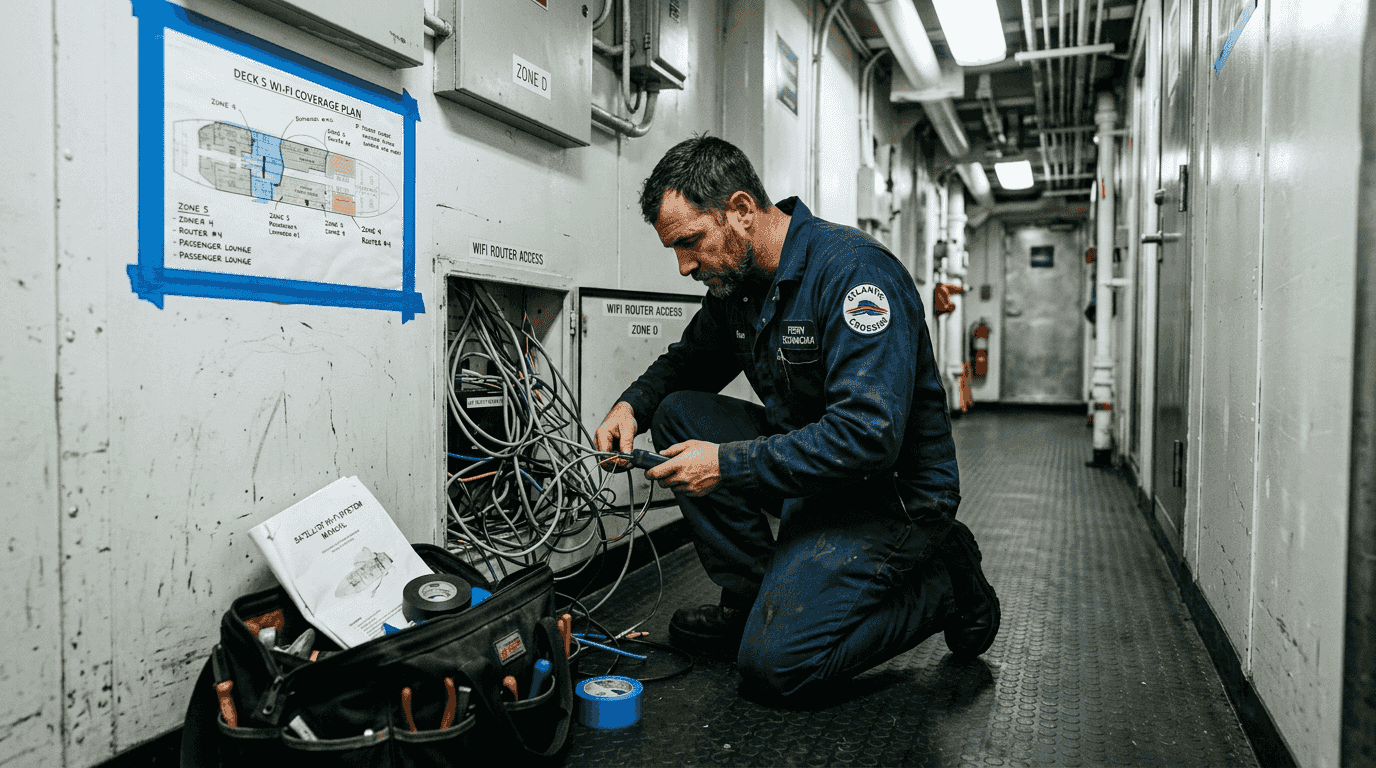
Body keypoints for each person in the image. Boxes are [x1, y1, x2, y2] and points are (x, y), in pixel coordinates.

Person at [594, 135, 998, 698]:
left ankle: (946, 582)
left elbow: (867, 437)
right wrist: (629, 407)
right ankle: (752, 599)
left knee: (777, 668)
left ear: (740, 211)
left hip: (891, 495)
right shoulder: (738, 286)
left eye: (690, 242)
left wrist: (728, 465)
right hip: (817, 479)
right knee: (679, 412)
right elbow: (689, 362)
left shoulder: (855, 276)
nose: (684, 265)